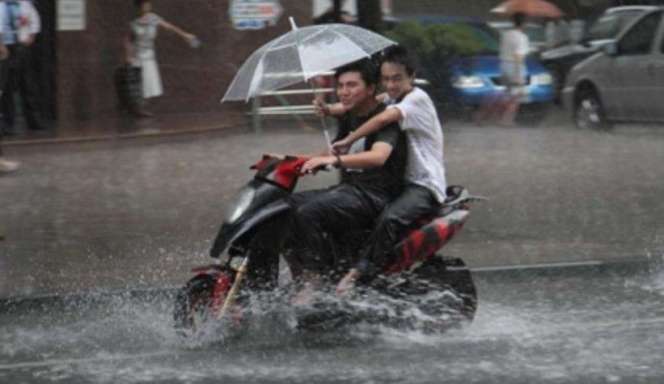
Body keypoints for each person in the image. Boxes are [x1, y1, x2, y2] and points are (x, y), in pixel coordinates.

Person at [324, 46, 447, 295]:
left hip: (425, 184)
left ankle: (359, 271)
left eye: (397, 78)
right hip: (403, 181)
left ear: (411, 76)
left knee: (390, 218)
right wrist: (329, 109)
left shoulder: (416, 99)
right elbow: (359, 105)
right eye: (386, 79)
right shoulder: (393, 98)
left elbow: (381, 119)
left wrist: (349, 139)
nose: (390, 85)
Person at [285, 59, 407, 299]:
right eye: (340, 86)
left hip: (376, 195)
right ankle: (302, 275)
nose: (343, 92)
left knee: (308, 212)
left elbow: (378, 156)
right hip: (350, 191)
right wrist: (291, 161)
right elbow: (333, 152)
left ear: (371, 88)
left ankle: (314, 280)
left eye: (351, 85)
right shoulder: (349, 116)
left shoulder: (386, 119)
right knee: (283, 208)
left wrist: (333, 162)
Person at [124, 0, 198, 117]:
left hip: (149, 56)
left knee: (149, 84)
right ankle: (138, 109)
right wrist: (128, 56)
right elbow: (128, 40)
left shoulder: (154, 19)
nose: (146, 7)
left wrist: (185, 35)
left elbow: (170, 27)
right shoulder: (134, 23)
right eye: (143, 5)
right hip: (137, 57)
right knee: (139, 83)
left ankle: (141, 108)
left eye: (148, 4)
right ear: (138, 7)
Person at [0, 0, 44, 134]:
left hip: (21, 46)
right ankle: (7, 124)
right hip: (5, 48)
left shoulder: (25, 4)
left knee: (27, 83)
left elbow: (35, 20)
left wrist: (31, 35)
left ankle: (34, 121)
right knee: (6, 86)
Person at [497, 12, 529, 126]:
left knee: (506, 93)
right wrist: (518, 75)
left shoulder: (506, 35)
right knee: (516, 96)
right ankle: (507, 120)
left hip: (503, 65)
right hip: (514, 67)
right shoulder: (522, 37)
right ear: (524, 23)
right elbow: (518, 57)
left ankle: (499, 117)